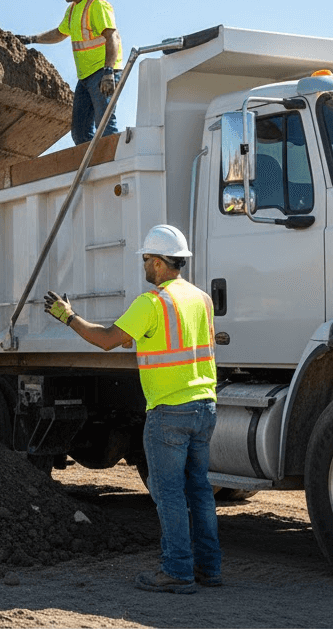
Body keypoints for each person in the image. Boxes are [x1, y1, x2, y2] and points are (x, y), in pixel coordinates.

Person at [43, 224, 221, 594]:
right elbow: (178, 341)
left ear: (158, 262)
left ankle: (177, 571)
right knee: (200, 491)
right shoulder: (201, 299)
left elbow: (106, 340)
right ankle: (209, 568)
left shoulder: (152, 302)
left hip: (169, 410)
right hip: (204, 406)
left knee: (169, 492)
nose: (143, 267)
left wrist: (67, 316)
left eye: (145, 260)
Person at [17, 0, 123, 146]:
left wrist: (108, 72)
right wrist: (31, 39)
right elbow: (59, 33)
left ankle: (116, 166)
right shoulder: (73, 10)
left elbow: (112, 37)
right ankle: (92, 168)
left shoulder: (96, 5)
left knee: (105, 125)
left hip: (102, 73)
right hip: (85, 78)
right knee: (80, 132)